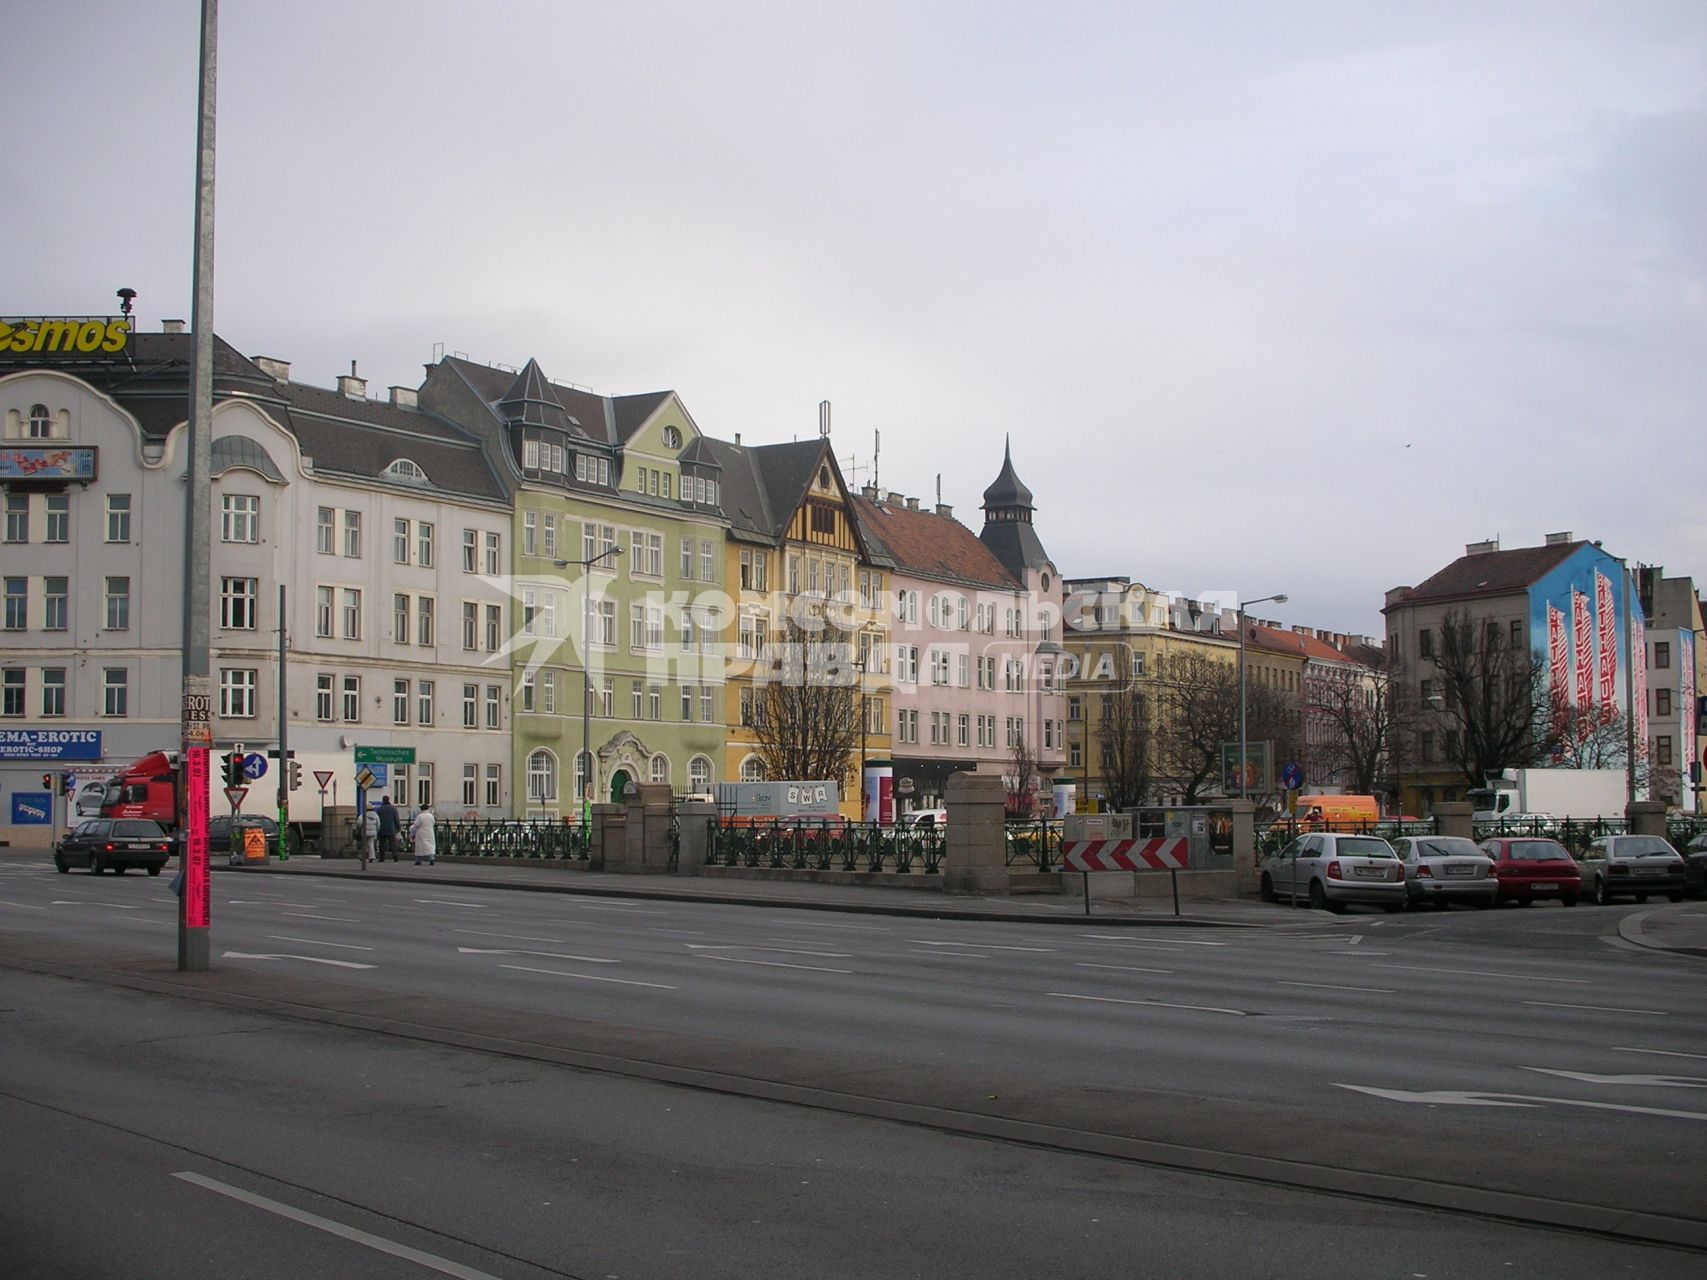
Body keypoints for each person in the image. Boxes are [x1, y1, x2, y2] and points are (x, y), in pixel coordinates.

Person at [410, 801, 437, 866]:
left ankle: (418, 860)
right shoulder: (431, 815)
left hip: (421, 833)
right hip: (430, 833)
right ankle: (431, 858)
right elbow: (433, 823)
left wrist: (412, 831)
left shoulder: (420, 816)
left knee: (420, 847)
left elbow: (416, 824)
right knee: (430, 846)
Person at [376, 795, 400, 862]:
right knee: (393, 843)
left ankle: (382, 858)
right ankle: (395, 856)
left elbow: (377, 820)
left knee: (382, 844)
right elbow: (396, 819)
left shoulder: (379, 809)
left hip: (382, 828)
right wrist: (398, 828)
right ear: (389, 800)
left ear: (383, 800)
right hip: (391, 828)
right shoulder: (393, 808)